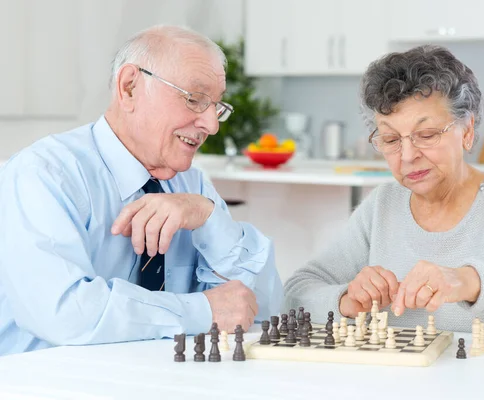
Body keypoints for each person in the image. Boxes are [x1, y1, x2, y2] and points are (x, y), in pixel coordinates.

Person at [0, 25, 283, 356]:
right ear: (130, 87)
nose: (212, 124)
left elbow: (258, 308)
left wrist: (208, 215)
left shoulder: (192, 184)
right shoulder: (44, 175)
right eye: (194, 99)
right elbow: (64, 314)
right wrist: (201, 311)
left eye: (216, 106)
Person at [284, 45, 484, 338]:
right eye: (390, 139)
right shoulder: (382, 205)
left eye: (426, 135)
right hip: (402, 380)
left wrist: (468, 280)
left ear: (466, 131)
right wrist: (345, 299)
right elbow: (298, 291)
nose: (408, 155)